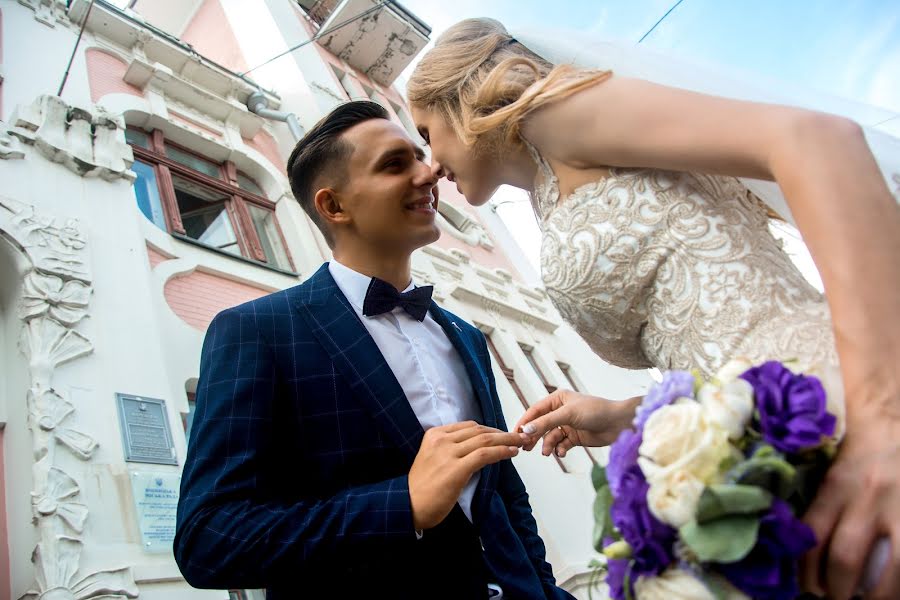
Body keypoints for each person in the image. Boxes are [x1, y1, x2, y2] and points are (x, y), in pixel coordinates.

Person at [407, 18, 900, 599]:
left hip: (841, 405)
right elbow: (708, 340)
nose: (431, 165)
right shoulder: (550, 195)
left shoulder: (554, 118)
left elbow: (816, 141)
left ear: (459, 100)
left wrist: (882, 422)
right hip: (761, 442)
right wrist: (622, 417)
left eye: (426, 134)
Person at [174, 101, 573, 599]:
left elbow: (503, 493)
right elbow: (208, 539)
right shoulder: (255, 330)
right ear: (334, 207)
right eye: (394, 164)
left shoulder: (466, 335)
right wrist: (402, 504)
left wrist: (545, 590)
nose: (429, 173)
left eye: (420, 156)